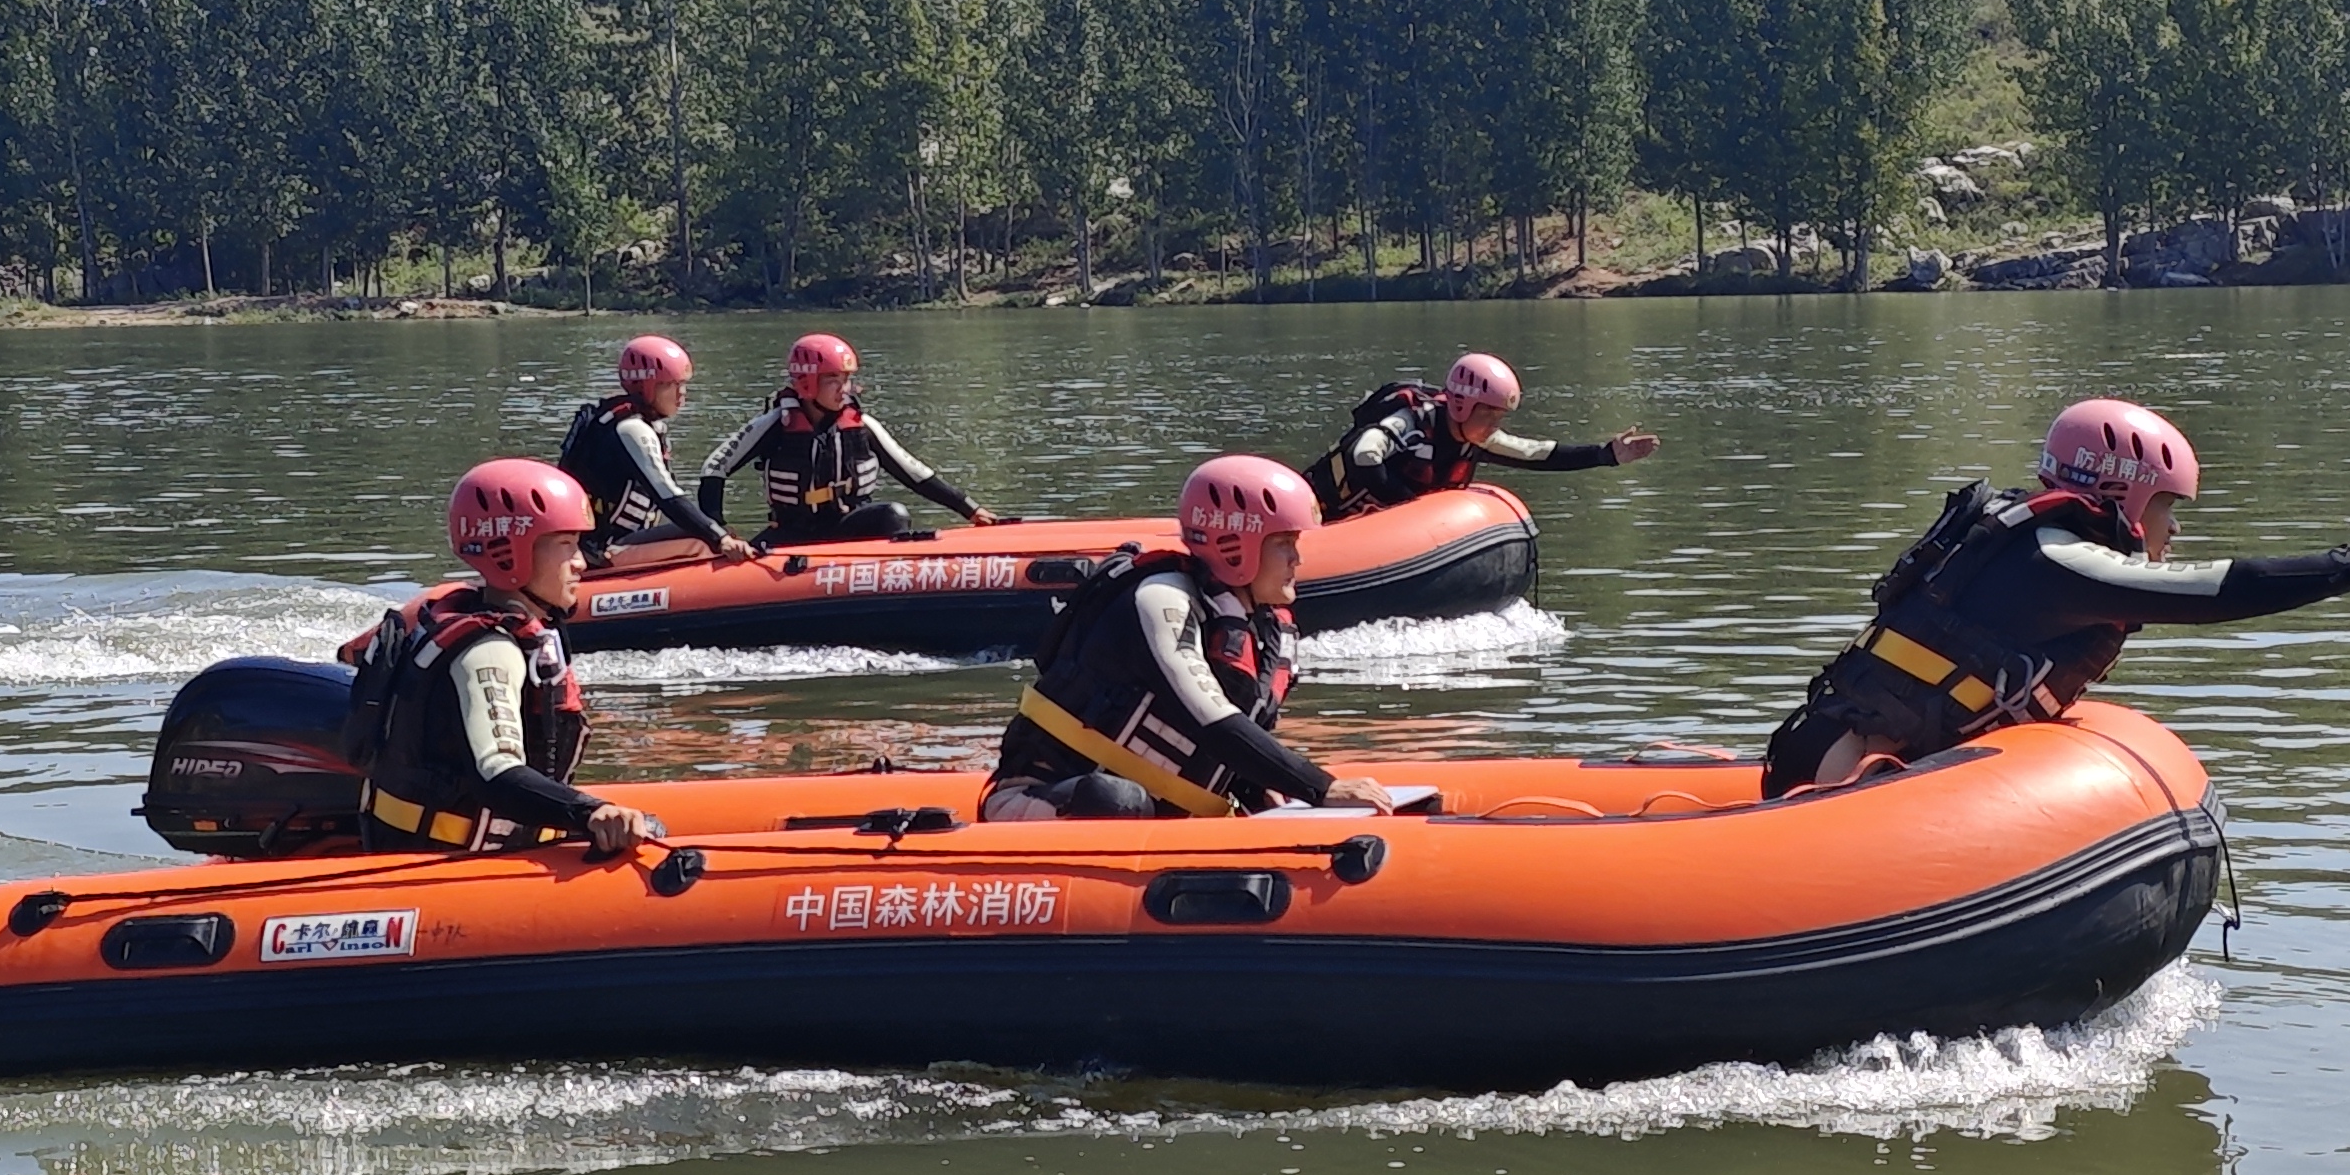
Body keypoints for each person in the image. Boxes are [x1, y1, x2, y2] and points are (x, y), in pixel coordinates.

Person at [1758, 397, 2350, 798]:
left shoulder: (2027, 544)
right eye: (2168, 506)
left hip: (1833, 744)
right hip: (1843, 775)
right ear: (2126, 495)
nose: (2175, 526)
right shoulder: (2058, 562)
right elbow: (2217, 591)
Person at [982, 456, 1376, 821]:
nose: (1297, 559)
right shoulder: (1161, 598)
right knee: (1116, 798)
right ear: (1237, 545)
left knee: (1135, 799)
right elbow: (1212, 723)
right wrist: (1321, 788)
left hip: (1155, 811)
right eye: (1283, 543)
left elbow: (1223, 741)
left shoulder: (1259, 625)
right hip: (1043, 800)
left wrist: (1262, 791)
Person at [347, 463, 663, 857]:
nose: (581, 562)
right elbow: (496, 775)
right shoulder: (488, 650)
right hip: (444, 861)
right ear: (513, 552)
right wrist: (589, 812)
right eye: (566, 544)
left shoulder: (468, 615)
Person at [696, 332, 1001, 543]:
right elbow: (714, 468)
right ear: (806, 384)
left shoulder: (862, 424)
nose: (845, 389)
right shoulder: (775, 424)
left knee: (893, 514)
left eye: (847, 380)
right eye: (833, 380)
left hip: (848, 525)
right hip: (793, 532)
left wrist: (970, 509)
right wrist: (718, 529)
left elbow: (914, 473)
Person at [1302, 351, 1656, 522]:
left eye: (1499, 416)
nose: (1493, 425)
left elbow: (1537, 453)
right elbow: (1364, 455)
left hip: (1377, 529)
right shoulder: (1412, 421)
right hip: (1318, 513)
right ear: (1459, 404)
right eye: (1487, 413)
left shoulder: (1477, 438)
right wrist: (1408, 506)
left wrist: (1607, 453)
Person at [558, 334, 748, 564]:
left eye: (683, 384)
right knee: (705, 539)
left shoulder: (620, 421)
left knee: (705, 528)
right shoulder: (632, 429)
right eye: (670, 385)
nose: (682, 394)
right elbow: (667, 496)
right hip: (604, 550)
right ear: (645, 387)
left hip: (602, 544)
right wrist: (720, 538)